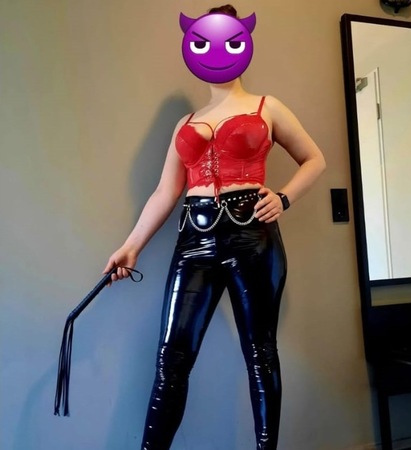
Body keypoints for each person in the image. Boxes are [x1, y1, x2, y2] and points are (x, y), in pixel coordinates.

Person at [103, 5, 326, 449]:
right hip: (195, 238)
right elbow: (165, 192)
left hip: (252, 234)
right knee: (171, 358)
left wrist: (283, 197)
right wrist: (131, 246)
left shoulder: (266, 106)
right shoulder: (184, 123)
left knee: (260, 354)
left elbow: (314, 159)